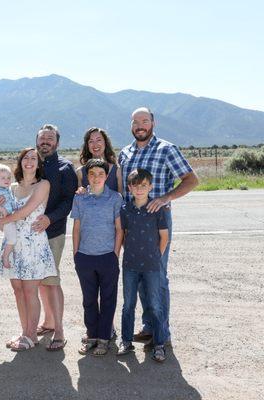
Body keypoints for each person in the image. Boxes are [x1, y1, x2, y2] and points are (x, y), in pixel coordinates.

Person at [118, 107, 199, 346]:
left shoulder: (166, 149)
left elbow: (191, 180)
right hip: (132, 222)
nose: (140, 125)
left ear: (153, 123)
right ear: (131, 125)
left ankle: (162, 332)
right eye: (135, 122)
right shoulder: (125, 153)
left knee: (157, 276)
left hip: (156, 222)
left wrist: (166, 198)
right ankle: (149, 327)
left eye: (144, 121)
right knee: (139, 275)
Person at [0, 148, 59, 352]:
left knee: (31, 291)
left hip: (33, 244)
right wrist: (1, 215)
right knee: (18, 291)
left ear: (38, 163)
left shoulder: (43, 185)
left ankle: (31, 335)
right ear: (20, 162)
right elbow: (0, 214)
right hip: (14, 245)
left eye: (34, 158)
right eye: (26, 158)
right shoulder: (11, 187)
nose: (29, 161)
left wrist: (5, 219)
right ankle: (25, 331)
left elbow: (26, 210)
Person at [71, 159, 123, 356]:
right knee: (89, 299)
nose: (96, 177)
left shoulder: (115, 198)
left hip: (107, 257)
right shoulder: (80, 198)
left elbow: (119, 229)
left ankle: (104, 338)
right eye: (92, 174)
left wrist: (115, 254)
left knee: (108, 299)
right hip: (85, 256)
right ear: (86, 176)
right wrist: (76, 253)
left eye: (100, 174)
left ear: (107, 176)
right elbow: (76, 228)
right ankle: (91, 335)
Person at [33, 124, 77, 348]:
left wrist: (50, 218)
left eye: (50, 139)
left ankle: (59, 330)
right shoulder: (32, 164)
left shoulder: (65, 168)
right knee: (41, 281)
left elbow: (69, 201)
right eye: (42, 139)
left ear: (57, 143)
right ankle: (49, 322)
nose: (45, 142)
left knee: (51, 282)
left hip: (52, 233)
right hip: (31, 235)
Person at [118, 169, 169, 362]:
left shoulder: (157, 209)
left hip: (152, 266)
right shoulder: (125, 209)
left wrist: (156, 256)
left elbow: (164, 236)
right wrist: (129, 251)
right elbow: (123, 235)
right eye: (135, 186)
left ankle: (159, 344)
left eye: (143, 186)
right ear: (129, 187)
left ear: (150, 186)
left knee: (155, 305)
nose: (139, 190)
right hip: (130, 265)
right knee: (128, 304)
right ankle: (126, 341)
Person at [76, 127, 123, 193]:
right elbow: (79, 200)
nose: (95, 145)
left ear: (105, 142)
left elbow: (121, 200)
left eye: (99, 140)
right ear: (87, 145)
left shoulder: (117, 171)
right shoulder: (80, 172)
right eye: (91, 141)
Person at [0, 164, 17, 269]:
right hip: (6, 218)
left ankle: (10, 256)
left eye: (8, 177)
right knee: (12, 240)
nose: (7, 180)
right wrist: (1, 209)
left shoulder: (7, 188)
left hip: (12, 217)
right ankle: (5, 257)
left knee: (15, 238)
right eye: (3, 178)